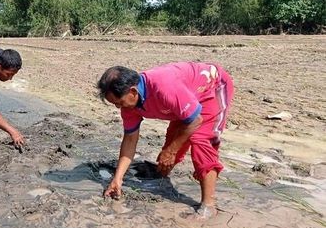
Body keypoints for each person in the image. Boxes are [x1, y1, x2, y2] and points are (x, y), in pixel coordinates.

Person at [97, 62, 234, 219]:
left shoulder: (164, 88)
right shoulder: (129, 106)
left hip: (211, 87)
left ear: (133, 92)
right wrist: (117, 179)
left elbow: (195, 120)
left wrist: (171, 151)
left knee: (201, 141)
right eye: (114, 104)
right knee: (174, 138)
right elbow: (129, 140)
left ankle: (208, 205)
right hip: (184, 99)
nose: (118, 107)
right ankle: (161, 175)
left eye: (119, 102)